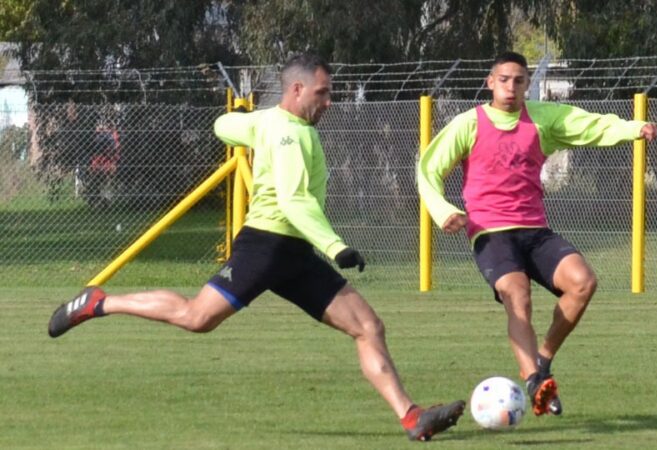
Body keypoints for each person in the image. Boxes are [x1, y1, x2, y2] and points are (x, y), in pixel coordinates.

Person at [48, 52, 464, 442]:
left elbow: (223, 127)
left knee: (368, 326)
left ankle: (411, 417)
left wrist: (252, 120)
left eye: (330, 93)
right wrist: (336, 247)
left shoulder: (270, 122)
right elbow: (293, 200)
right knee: (197, 318)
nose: (329, 102)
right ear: (296, 91)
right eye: (322, 93)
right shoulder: (290, 136)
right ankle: (100, 302)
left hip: (295, 253)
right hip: (265, 247)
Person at [417, 51, 657, 417]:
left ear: (527, 84)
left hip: (535, 229)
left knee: (583, 282)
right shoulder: (468, 124)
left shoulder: (542, 120)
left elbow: (588, 125)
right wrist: (444, 211)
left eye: (518, 81)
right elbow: (428, 170)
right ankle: (533, 379)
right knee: (518, 294)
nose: (510, 87)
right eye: (503, 80)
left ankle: (540, 365)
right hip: (490, 232)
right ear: (490, 82)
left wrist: (631, 129)